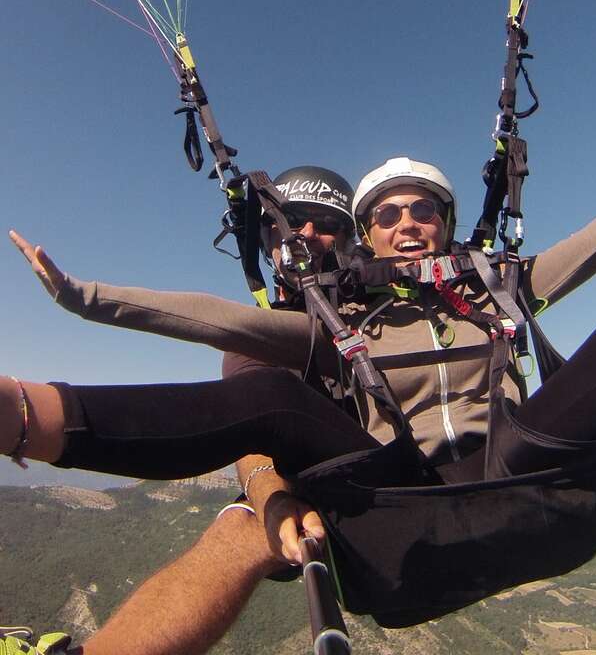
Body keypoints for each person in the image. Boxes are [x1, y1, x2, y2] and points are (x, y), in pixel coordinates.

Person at [4, 158, 596, 640]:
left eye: (423, 212)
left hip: (527, 476)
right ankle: (23, 416)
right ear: (371, 236)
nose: (408, 225)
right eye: (388, 216)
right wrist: (84, 297)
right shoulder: (342, 326)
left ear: (446, 225)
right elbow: (222, 321)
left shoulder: (498, 290)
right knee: (273, 400)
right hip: (398, 502)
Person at [4, 165, 356, 655]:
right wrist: (270, 496)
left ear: (353, 241)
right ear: (269, 238)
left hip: (392, 472)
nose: (308, 234)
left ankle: (26, 415)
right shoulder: (259, 337)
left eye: (328, 223)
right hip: (318, 487)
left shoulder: (380, 312)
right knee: (240, 529)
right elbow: (244, 426)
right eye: (291, 220)